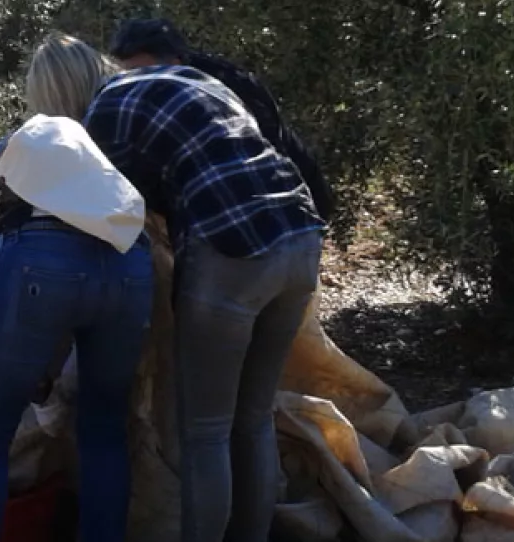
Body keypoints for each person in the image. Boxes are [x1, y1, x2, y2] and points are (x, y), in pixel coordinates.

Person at [30, 33, 323, 542]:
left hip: (233, 253)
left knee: (205, 431)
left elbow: (110, 224)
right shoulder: (178, 77)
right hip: (300, 236)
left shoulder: (104, 117)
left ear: (58, 99)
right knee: (252, 418)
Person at [0, 47, 154, 542]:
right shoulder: (126, 133)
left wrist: (2, 300)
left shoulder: (30, 139)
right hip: (130, 267)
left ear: (39, 90)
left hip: (40, 257)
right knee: (104, 431)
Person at [108, 17, 336, 222]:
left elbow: (265, 156)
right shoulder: (154, 91)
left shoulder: (226, 87)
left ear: (175, 63)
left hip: (290, 207)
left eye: (142, 74)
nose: (133, 85)